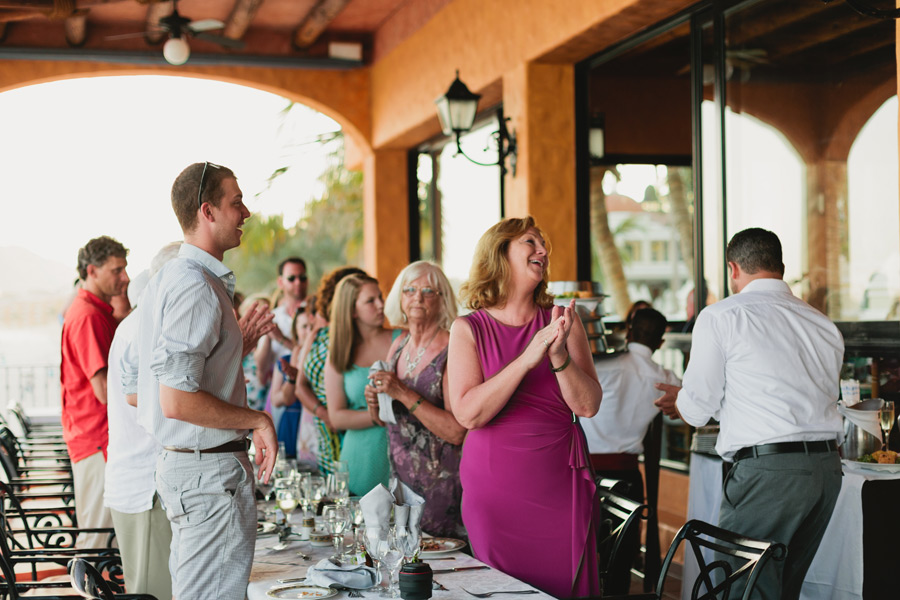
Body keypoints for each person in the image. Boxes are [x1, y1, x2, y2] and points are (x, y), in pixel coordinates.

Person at [655, 227, 844, 600]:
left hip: (768, 474)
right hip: (824, 471)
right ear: (781, 267)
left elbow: (697, 409)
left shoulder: (722, 316)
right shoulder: (823, 324)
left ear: (733, 269)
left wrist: (682, 400)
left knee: (743, 588)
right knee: (783, 587)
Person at [128, 162, 277, 600]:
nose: (246, 212)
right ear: (208, 212)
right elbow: (175, 399)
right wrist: (257, 419)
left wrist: (236, 352)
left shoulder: (174, 277)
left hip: (194, 468)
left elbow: (174, 379)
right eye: (236, 202)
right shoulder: (194, 284)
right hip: (207, 473)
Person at [447, 216, 601, 598]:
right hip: (495, 491)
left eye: (543, 244)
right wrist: (528, 358)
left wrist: (560, 355)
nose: (543, 251)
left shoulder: (565, 320)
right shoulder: (467, 329)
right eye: (530, 242)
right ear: (500, 254)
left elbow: (588, 405)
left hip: (558, 487)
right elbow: (467, 413)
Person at [365, 261, 467, 539]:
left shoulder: (453, 347)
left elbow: (457, 432)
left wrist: (401, 392)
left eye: (428, 291)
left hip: (443, 485)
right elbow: (387, 420)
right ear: (400, 297)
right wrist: (375, 402)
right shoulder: (398, 345)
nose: (417, 297)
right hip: (401, 482)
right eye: (409, 290)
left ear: (443, 299)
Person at [582, 307, 679, 594]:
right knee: (620, 559)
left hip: (587, 474)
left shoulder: (601, 366)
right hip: (627, 478)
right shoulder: (665, 378)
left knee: (582, 554)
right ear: (661, 342)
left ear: (629, 330)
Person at [105, 243, 181, 600]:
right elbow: (165, 407)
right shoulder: (144, 328)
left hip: (142, 482)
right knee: (155, 594)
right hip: (144, 486)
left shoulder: (141, 324)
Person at [60, 235, 129, 549]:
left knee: (103, 538)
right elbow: (104, 391)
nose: (124, 277)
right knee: (98, 542)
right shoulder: (88, 316)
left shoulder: (95, 311)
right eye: (116, 270)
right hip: (97, 439)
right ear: (92, 270)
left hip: (94, 436)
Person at [324, 274, 397, 496]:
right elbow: (336, 416)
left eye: (380, 297)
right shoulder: (339, 353)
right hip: (361, 455)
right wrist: (376, 417)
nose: (381, 304)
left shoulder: (402, 338)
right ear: (352, 310)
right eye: (370, 300)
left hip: (403, 449)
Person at [298, 267, 367, 475]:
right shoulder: (318, 335)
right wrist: (325, 414)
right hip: (323, 425)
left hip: (352, 425)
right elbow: (300, 386)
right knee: (332, 488)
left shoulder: (362, 339)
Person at [271, 301, 314, 462]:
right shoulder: (286, 361)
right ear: (296, 330)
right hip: (291, 423)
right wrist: (291, 379)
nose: (310, 332)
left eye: (312, 326)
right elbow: (278, 400)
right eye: (304, 327)